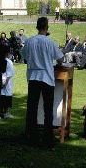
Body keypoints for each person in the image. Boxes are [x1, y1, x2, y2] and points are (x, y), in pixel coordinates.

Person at [22, 17, 64, 149]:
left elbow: (24, 56)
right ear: (47, 27)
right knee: (48, 109)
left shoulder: (30, 41)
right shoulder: (50, 42)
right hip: (46, 77)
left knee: (32, 108)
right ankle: (47, 139)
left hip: (34, 76)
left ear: (37, 26)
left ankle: (31, 137)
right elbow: (60, 59)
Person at [0, 46, 15, 119]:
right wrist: (5, 83)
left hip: (0, 81)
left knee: (1, 96)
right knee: (7, 96)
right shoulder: (9, 62)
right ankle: (6, 113)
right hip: (6, 82)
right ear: (8, 53)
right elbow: (9, 75)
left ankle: (1, 111)